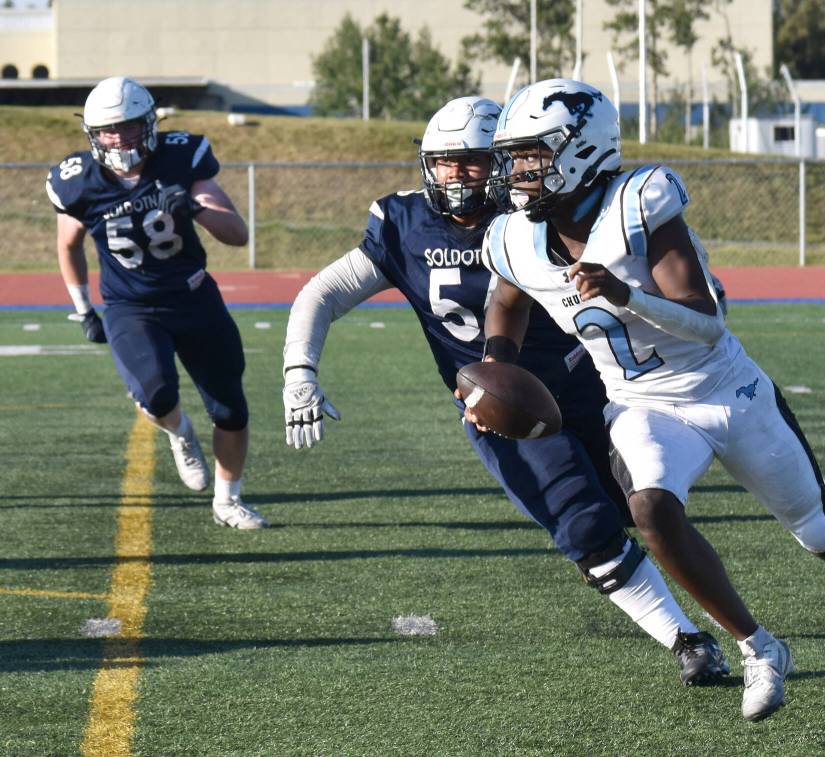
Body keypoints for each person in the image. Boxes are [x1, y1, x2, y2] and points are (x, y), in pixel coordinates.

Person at [480, 77, 825, 720]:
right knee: (649, 509)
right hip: (644, 404)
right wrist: (494, 368)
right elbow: (505, 302)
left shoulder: (640, 202)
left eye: (532, 154)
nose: (518, 171)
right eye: (515, 156)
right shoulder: (512, 239)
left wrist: (626, 296)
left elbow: (705, 317)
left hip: (728, 390)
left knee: (819, 533)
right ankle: (758, 647)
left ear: (579, 149)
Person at [282, 96, 739, 696]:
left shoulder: (547, 210)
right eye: (443, 163)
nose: (457, 176)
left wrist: (689, 288)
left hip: (596, 384)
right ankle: (688, 640)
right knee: (582, 525)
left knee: (648, 511)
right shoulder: (404, 224)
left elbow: (652, 255)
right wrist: (299, 371)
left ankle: (738, 626)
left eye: (471, 162)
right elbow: (322, 293)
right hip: (502, 406)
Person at [45, 76, 268, 529]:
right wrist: (83, 307)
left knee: (230, 407)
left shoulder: (180, 157)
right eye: (110, 129)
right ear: (92, 134)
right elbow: (68, 245)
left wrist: (192, 206)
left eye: (130, 125)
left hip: (193, 296)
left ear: (149, 122)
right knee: (155, 393)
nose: (121, 137)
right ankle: (180, 432)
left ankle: (228, 500)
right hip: (132, 307)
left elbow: (237, 233)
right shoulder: (77, 180)